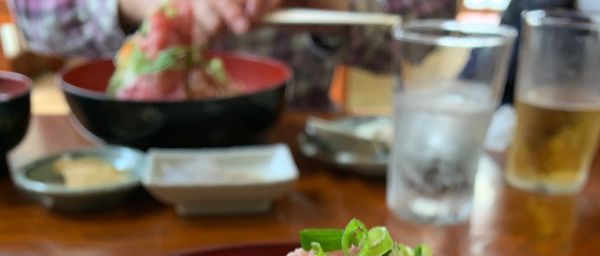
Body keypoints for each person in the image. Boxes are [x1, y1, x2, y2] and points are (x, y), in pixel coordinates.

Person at [7, 0, 458, 108]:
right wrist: (138, 5)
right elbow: (33, 18)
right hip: (128, 146)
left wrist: (332, 7)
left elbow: (430, 22)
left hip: (296, 144)